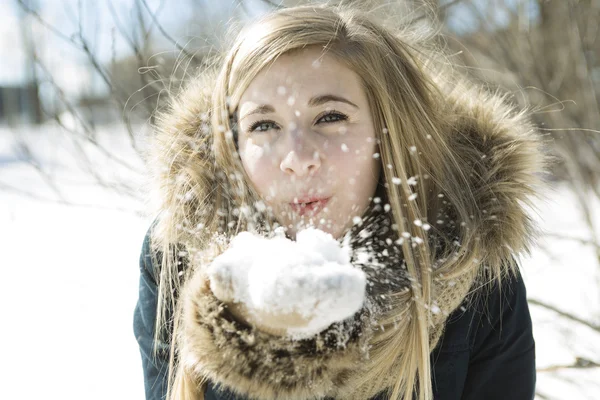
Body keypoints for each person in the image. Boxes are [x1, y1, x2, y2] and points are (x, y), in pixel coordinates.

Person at [134, 4, 548, 400]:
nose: (297, 159)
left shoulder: (475, 273)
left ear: (388, 133)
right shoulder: (178, 260)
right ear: (235, 145)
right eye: (264, 125)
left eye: (330, 117)